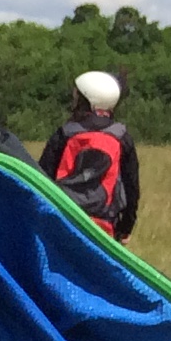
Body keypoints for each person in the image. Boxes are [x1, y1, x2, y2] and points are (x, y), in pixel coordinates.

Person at [40, 69, 139, 240]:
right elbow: (132, 187)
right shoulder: (121, 137)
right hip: (104, 227)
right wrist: (125, 228)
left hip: (63, 219)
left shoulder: (65, 133)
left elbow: (42, 177)